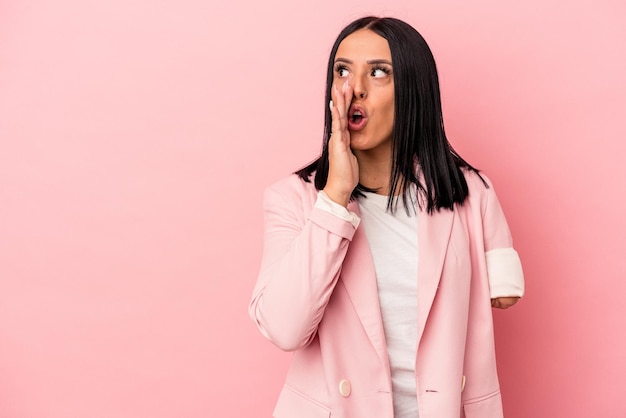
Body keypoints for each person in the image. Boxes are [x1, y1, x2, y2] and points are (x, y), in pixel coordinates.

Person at [249, 16, 524, 418]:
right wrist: (335, 198)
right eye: (342, 70)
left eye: (378, 72)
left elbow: (504, 293)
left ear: (414, 91)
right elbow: (285, 328)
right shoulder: (292, 198)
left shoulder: (470, 194)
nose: (354, 88)